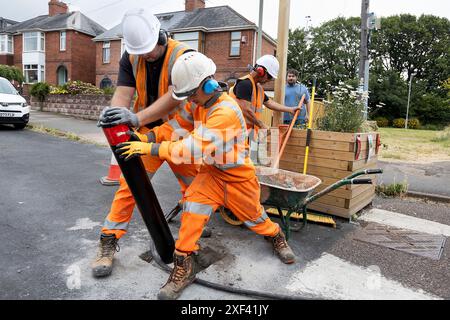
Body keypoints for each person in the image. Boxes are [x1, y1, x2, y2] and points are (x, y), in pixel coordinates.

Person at [115, 52, 296, 300]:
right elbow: (176, 126)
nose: (189, 99)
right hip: (211, 174)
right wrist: (148, 137)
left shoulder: (226, 113)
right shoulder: (198, 103)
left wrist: (149, 149)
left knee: (255, 218)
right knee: (192, 211)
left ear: (208, 84)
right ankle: (183, 267)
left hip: (237, 179)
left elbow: (190, 149)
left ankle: (276, 236)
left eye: (191, 93)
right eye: (187, 95)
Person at [92, 8, 199, 278]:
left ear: (161, 36)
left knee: (195, 189)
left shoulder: (183, 56)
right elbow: (123, 93)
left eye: (149, 49)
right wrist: (113, 117)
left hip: (177, 136)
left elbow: (176, 97)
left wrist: (136, 117)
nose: (145, 55)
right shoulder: (131, 57)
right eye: (140, 50)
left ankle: (193, 229)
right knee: (130, 188)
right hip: (146, 137)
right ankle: (108, 241)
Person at [228, 55, 300, 163]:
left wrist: (289, 109)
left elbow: (269, 102)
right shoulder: (245, 84)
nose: (269, 80)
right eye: (269, 76)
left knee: (250, 166)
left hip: (250, 134)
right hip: (236, 134)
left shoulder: (258, 88)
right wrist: (261, 125)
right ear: (261, 71)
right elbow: (245, 109)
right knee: (237, 167)